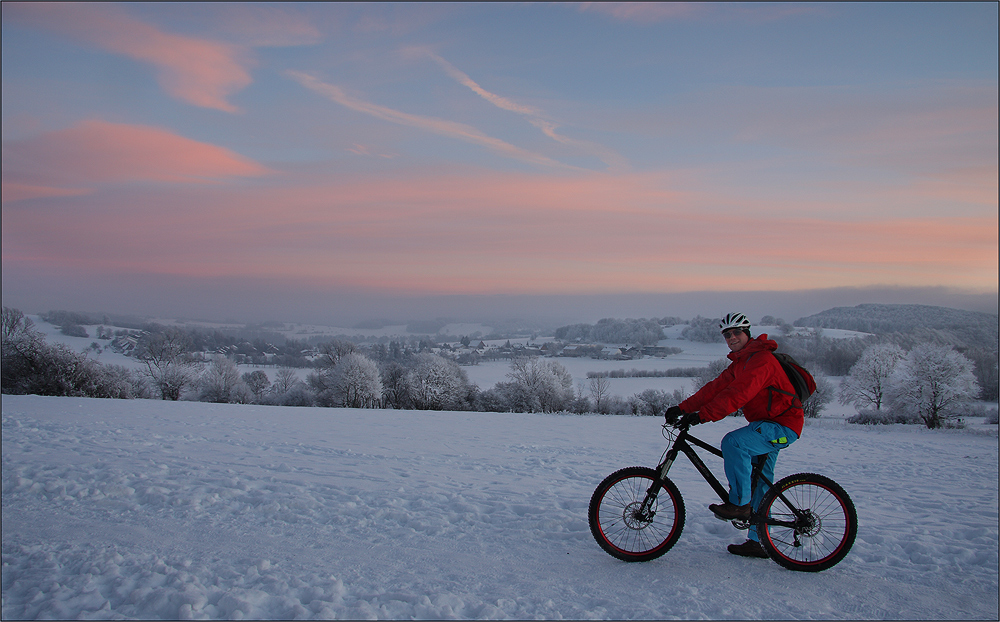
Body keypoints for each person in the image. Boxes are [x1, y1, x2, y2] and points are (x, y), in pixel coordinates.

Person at [664, 312, 803, 559]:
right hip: (766, 425)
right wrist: (683, 408)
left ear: (747, 333)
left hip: (783, 426)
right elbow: (715, 388)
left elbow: (739, 394)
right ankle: (758, 541)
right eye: (727, 335)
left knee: (734, 442)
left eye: (736, 332)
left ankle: (739, 504)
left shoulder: (761, 361)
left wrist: (702, 416)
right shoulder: (740, 363)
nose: (731, 338)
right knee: (761, 480)